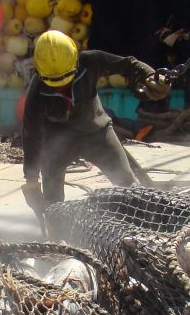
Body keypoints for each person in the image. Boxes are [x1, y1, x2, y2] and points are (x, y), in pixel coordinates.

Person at [21, 31, 170, 213]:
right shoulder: (36, 92)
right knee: (53, 204)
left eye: (66, 78)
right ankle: (55, 232)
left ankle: (143, 218)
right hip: (57, 143)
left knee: (128, 187)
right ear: (39, 71)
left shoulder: (91, 62)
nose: (62, 86)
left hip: (97, 134)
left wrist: (151, 76)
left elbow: (129, 65)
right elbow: (31, 135)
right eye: (55, 82)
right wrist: (31, 181)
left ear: (76, 60)